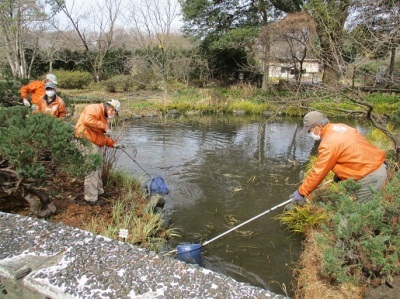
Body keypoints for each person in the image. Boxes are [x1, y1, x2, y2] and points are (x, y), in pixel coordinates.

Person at [292, 111, 387, 205]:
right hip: (378, 168)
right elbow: (354, 150)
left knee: (355, 215)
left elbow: (319, 172)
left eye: (309, 131)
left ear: (318, 126)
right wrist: (340, 175)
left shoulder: (328, 143)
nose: (309, 134)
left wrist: (301, 192)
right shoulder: (341, 127)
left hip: (370, 177)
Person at [75, 99, 124, 205]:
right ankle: (91, 198)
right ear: (111, 109)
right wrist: (105, 127)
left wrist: (113, 144)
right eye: (115, 113)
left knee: (99, 167)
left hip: (94, 142)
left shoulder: (103, 116)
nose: (114, 115)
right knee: (92, 169)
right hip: (86, 141)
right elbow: (87, 120)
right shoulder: (94, 108)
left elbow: (101, 137)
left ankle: (99, 192)